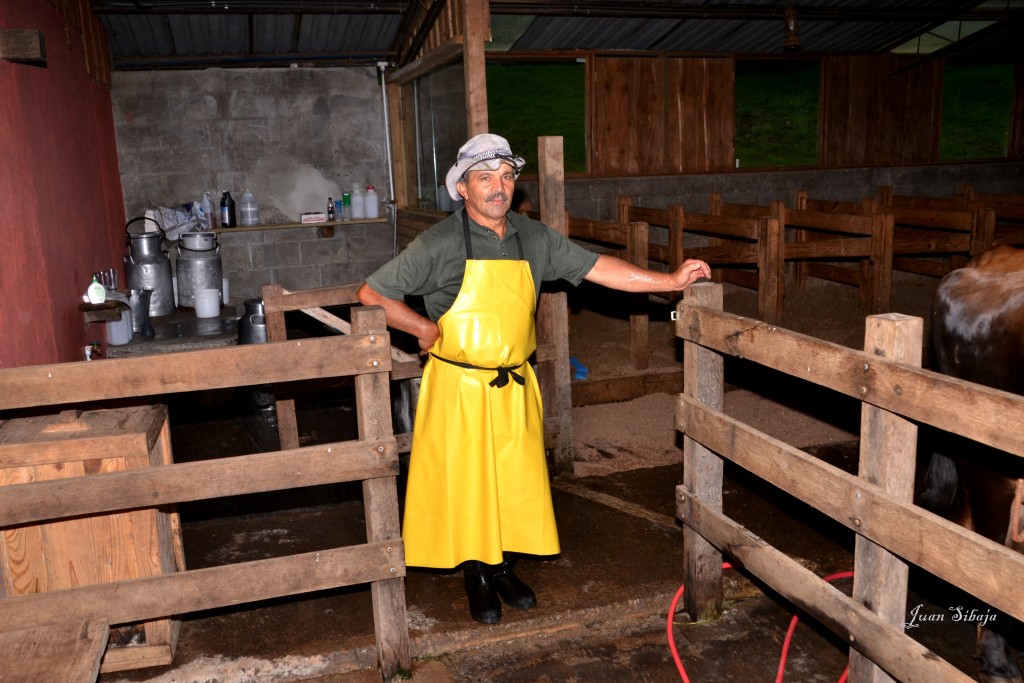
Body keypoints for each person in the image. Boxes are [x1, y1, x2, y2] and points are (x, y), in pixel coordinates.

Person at [357, 133, 711, 625]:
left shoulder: (533, 237)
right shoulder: (439, 243)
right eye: (485, 178)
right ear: (462, 188)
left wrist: (668, 281)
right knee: (470, 482)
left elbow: (598, 268)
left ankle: (502, 566)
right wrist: (422, 327)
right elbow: (373, 293)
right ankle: (477, 573)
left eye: (506, 177)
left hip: (515, 384)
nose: (498, 187)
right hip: (460, 387)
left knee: (511, 480)